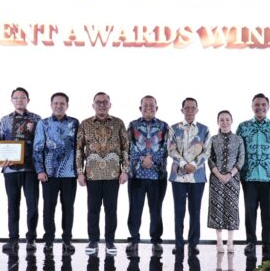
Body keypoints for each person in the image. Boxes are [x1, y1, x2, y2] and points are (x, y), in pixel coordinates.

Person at [76, 92, 129, 255]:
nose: (102, 105)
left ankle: (110, 241)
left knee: (111, 210)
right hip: (92, 174)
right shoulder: (85, 124)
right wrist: (80, 172)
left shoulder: (118, 123)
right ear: (93, 105)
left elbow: (125, 148)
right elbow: (79, 149)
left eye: (105, 102)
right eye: (98, 102)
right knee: (93, 209)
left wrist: (125, 170)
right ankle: (93, 240)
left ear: (110, 105)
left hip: (113, 174)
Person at [237, 93, 270, 257]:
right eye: (257, 105)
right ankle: (251, 242)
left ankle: (267, 243)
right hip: (248, 177)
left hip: (269, 177)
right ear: (252, 107)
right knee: (250, 211)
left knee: (268, 213)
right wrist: (236, 173)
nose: (260, 107)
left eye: (263, 104)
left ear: (268, 107)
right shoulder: (243, 127)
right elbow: (238, 151)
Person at [33, 92, 79, 254]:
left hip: (70, 174)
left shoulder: (74, 123)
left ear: (67, 105)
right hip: (49, 174)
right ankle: (49, 241)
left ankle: (67, 240)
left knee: (68, 208)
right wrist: (40, 170)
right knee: (48, 209)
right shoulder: (43, 123)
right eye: (56, 103)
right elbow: (37, 148)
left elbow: (79, 148)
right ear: (51, 105)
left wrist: (80, 171)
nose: (59, 106)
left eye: (62, 103)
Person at [0, 87, 42, 252]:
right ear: (12, 100)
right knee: (12, 205)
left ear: (28, 100)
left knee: (32, 205)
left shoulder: (37, 119)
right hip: (11, 169)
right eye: (16, 98)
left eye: (22, 97)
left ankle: (31, 238)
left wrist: (33, 131)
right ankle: (13, 238)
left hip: (31, 169)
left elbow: (41, 142)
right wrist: (0, 161)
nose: (19, 100)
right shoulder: (5, 120)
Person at [126, 95, 169, 256]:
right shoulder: (133, 125)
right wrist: (142, 160)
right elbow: (129, 146)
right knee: (134, 209)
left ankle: (156, 240)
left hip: (157, 176)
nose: (148, 108)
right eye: (145, 105)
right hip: (136, 175)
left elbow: (166, 147)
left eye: (152, 106)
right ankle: (134, 239)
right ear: (140, 108)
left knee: (156, 210)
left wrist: (152, 160)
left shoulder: (164, 126)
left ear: (156, 108)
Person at [168, 97, 210, 256]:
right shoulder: (174, 129)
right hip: (178, 177)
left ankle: (193, 244)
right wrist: (184, 164)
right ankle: (179, 244)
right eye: (187, 108)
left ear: (197, 110)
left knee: (195, 211)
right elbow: (171, 149)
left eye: (193, 108)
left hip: (197, 177)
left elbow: (207, 151)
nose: (190, 110)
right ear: (182, 110)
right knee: (179, 212)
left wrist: (194, 164)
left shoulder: (204, 129)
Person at [207, 110, 245, 254]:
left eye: (227, 119)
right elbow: (209, 158)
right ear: (218, 122)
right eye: (221, 120)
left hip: (233, 178)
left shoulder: (238, 139)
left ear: (232, 121)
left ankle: (230, 241)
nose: (225, 122)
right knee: (216, 207)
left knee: (231, 207)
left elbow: (241, 159)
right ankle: (219, 240)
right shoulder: (212, 139)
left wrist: (230, 174)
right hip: (216, 178)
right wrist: (218, 174)